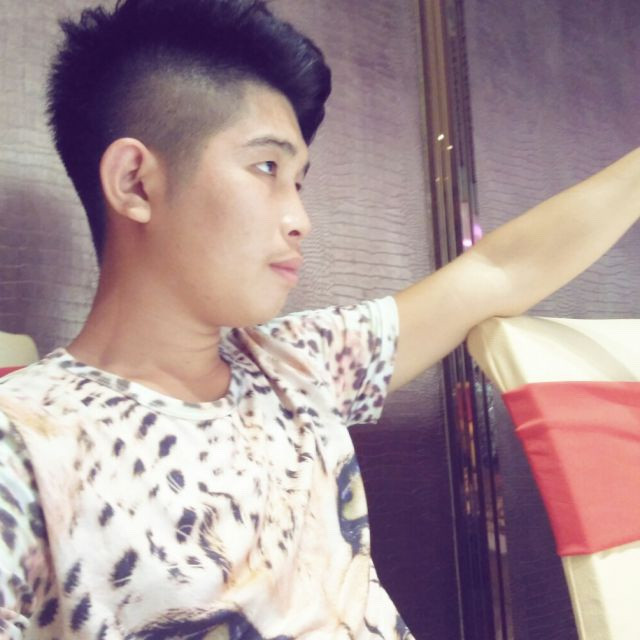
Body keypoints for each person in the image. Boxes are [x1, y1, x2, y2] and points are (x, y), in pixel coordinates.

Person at [0, 0, 638, 638]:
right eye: (267, 168)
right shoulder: (23, 442)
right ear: (136, 182)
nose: (299, 219)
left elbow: (498, 271)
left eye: (298, 182)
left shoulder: (299, 362)